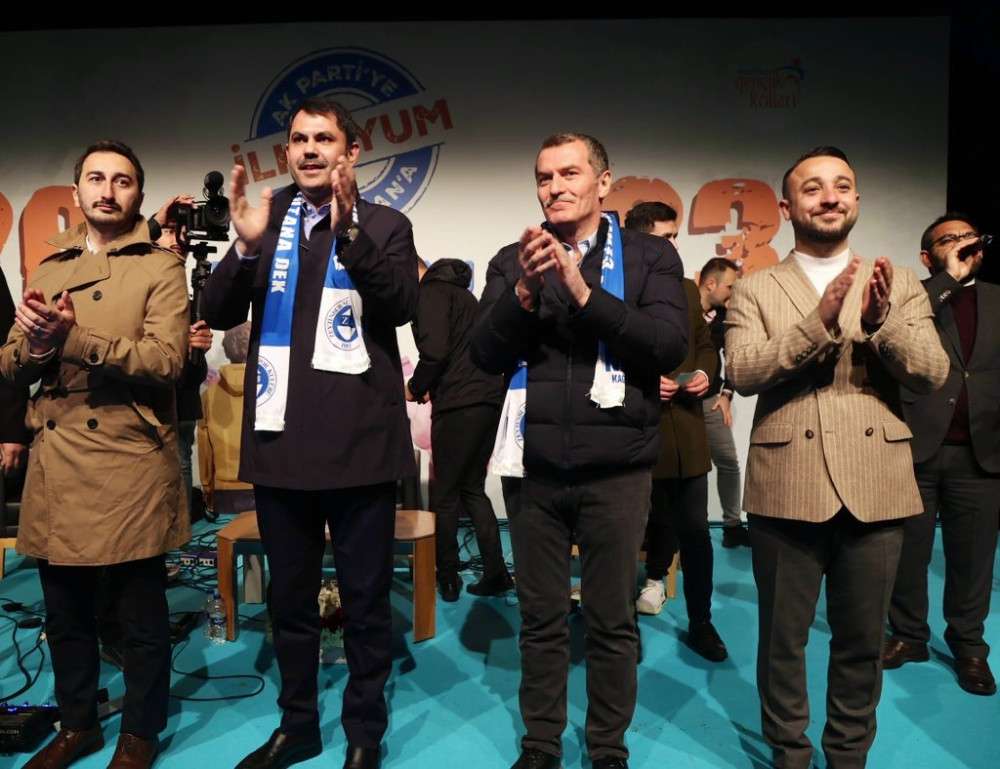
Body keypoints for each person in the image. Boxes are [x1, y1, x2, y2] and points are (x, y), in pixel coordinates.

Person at [201, 97, 418, 769]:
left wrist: (350, 231)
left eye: (324, 138)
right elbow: (215, 311)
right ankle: (297, 725)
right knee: (290, 602)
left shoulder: (386, 224)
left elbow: (400, 304)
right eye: (299, 139)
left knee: (366, 602)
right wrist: (243, 245)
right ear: (288, 151)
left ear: (351, 152)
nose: (310, 149)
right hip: (281, 447)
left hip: (361, 447)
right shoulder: (268, 225)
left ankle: (364, 732)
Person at [725, 146, 949, 769]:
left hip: (876, 483)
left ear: (856, 199)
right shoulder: (755, 287)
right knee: (782, 642)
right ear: (786, 206)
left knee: (862, 641)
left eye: (842, 186)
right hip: (786, 483)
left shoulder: (898, 282)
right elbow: (741, 370)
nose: (830, 197)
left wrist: (882, 325)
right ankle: (790, 752)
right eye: (814, 187)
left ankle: (848, 755)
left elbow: (932, 373)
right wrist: (818, 324)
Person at [472, 132, 688, 769]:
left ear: (604, 181)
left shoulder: (651, 257)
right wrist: (523, 295)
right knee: (539, 619)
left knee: (611, 620)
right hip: (533, 469)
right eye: (544, 177)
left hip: (618, 470)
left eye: (569, 173)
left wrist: (585, 294)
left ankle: (607, 749)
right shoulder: (513, 260)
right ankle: (541, 745)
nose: (555, 187)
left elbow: (668, 346)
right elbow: (483, 355)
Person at [0, 139, 190, 769]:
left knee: (139, 616)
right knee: (64, 613)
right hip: (58, 460)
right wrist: (36, 349)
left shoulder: (160, 266)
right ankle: (76, 724)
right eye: (96, 179)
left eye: (122, 181)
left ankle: (140, 732)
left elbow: (167, 361)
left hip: (128, 454)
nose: (108, 191)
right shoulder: (48, 266)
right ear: (78, 191)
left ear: (139, 194)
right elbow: (9, 362)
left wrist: (76, 338)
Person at [883, 213, 999, 696]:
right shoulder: (914, 294)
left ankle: (969, 646)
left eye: (969, 237)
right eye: (949, 239)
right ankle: (909, 635)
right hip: (917, 444)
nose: (963, 243)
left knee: (973, 559)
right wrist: (948, 278)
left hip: (982, 451)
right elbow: (894, 331)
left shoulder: (996, 298)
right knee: (907, 553)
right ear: (927, 256)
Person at [406, 256, 510, 601]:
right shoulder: (465, 296)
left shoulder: (431, 292)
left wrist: (415, 387)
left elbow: (435, 352)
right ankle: (496, 572)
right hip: (487, 401)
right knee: (472, 489)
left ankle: (447, 576)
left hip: (459, 404)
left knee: (446, 494)